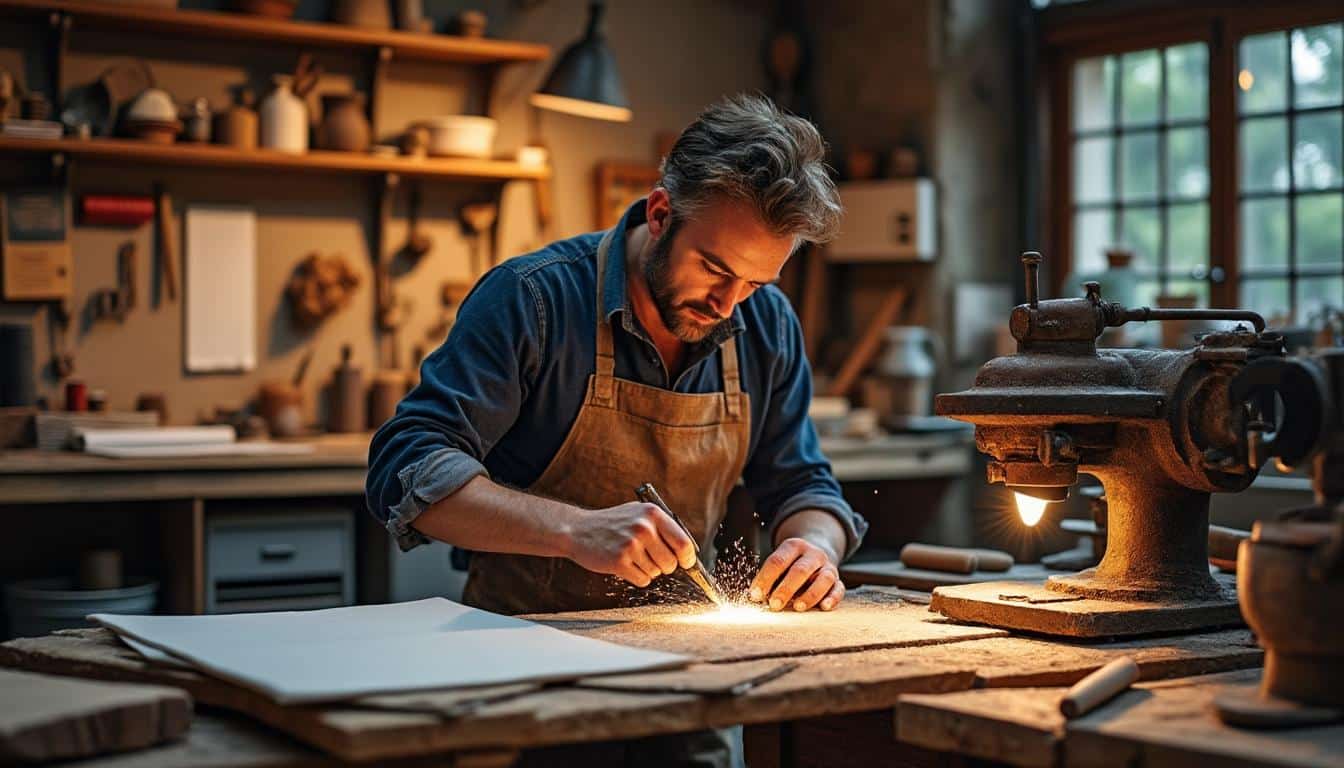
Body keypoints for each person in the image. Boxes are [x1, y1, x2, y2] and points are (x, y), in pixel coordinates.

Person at [366, 93, 866, 620]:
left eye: (754, 282)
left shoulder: (767, 323)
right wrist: (576, 531)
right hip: (520, 638)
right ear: (659, 214)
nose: (727, 304)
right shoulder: (532, 299)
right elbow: (406, 465)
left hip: (689, 643)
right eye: (715, 270)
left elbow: (802, 484)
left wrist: (816, 548)